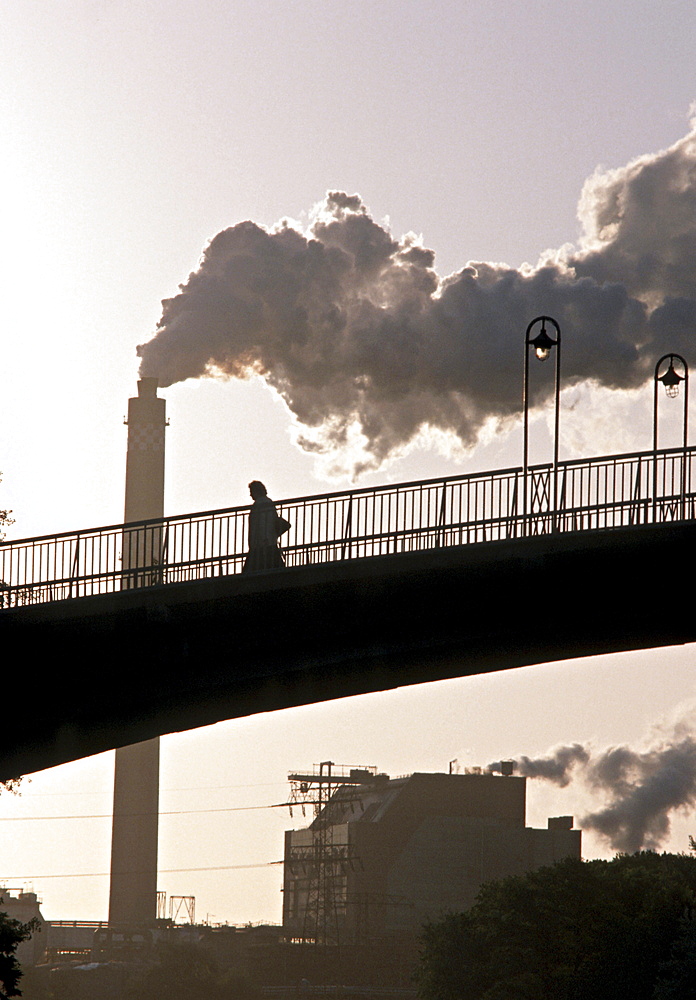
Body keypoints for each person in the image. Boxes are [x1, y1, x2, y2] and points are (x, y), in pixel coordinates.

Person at [242, 480, 286, 572]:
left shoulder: (259, 504)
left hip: (261, 544)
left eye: (251, 492)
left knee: (251, 572)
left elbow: (261, 523)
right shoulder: (269, 502)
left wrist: (259, 539)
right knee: (276, 570)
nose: (250, 495)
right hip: (269, 541)